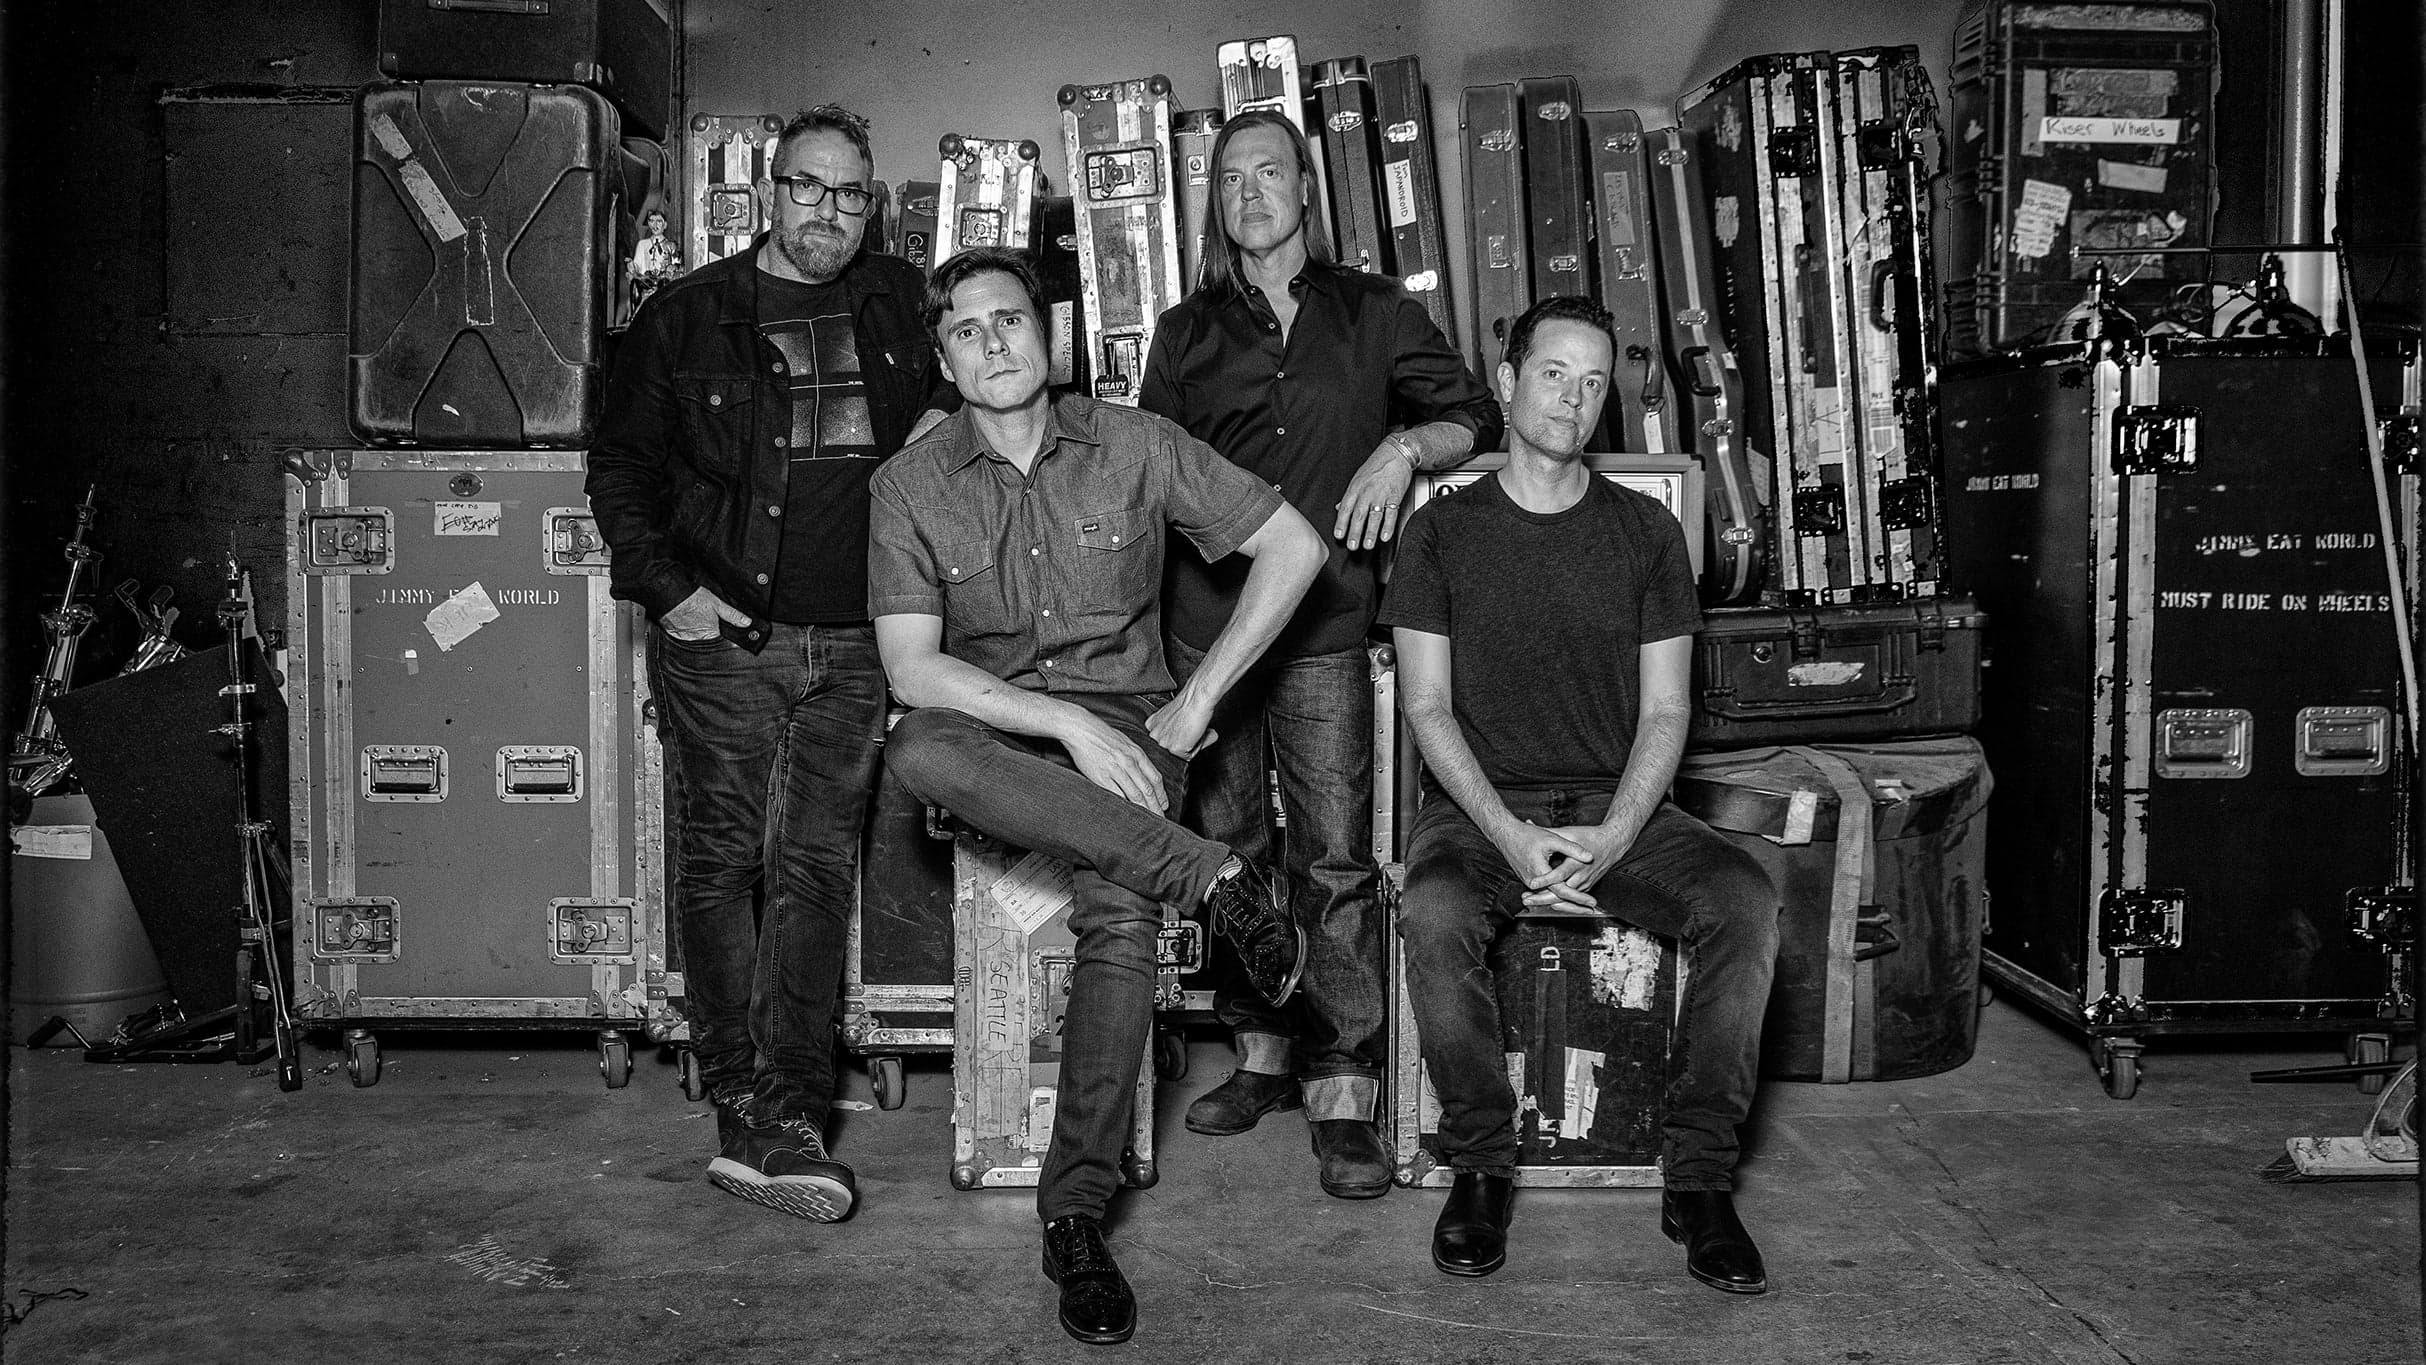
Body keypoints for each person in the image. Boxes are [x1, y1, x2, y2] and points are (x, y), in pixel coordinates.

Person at [869, 247, 1324, 1345]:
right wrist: (1062, 724)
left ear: (1050, 334)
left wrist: (1196, 701)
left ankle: (1072, 1217)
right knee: (915, 746)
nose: (993, 344)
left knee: (1120, 915)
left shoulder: (1135, 443)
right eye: (966, 331)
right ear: (945, 362)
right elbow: (912, 671)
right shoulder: (908, 485)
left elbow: (1295, 546)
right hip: (996, 736)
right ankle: (1213, 878)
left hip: (1134, 730)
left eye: (1010, 320)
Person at [587, 103, 945, 1224]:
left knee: (816, 869)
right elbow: (619, 472)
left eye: (849, 193)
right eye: (807, 186)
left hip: (860, 640)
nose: (826, 211)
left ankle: (786, 1105)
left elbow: (970, 374)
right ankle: (746, 1095)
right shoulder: (687, 318)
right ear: (769, 191)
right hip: (726, 636)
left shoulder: (898, 297)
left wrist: (938, 425)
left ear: (869, 204)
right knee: (722, 862)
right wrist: (673, 595)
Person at [1379, 295, 1782, 1292]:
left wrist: (1613, 836)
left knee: (1745, 900)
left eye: (1592, 381)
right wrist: (1510, 835)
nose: (1572, 397)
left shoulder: (1646, 532)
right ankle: (1481, 1164)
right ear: (1507, 382)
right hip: (1480, 808)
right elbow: (1426, 708)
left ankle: (1698, 1180)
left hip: (1618, 804)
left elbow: (1666, 712)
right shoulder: (1440, 532)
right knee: (1433, 910)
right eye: (1553, 373)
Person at [1139, 109, 1502, 1199]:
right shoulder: (1184, 332)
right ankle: (1262, 1053)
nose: (1250, 192)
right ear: (1215, 203)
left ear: (1306, 187)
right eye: (1230, 178)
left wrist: (1401, 445)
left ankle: (1342, 1083)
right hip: (1208, 628)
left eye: (1269, 171)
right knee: (1230, 852)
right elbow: (1147, 473)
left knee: (1334, 855)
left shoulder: (1376, 311)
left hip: (1326, 628)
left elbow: (1472, 414)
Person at [629, 207, 682, 318]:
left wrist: (672, 267)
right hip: (647, 280)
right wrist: (632, 266)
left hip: (663, 279)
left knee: (664, 286)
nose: (655, 225)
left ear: (665, 225)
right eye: (652, 221)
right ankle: (638, 315)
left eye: (659, 221)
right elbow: (637, 266)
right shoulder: (642, 244)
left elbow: (677, 264)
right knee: (638, 285)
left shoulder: (671, 245)